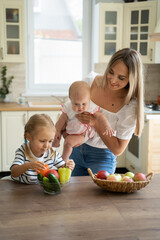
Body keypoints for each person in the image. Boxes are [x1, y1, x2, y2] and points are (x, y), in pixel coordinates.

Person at [69, 48, 144, 176]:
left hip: (101, 157)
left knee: (100, 195)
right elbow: (71, 110)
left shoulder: (130, 106)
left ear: (132, 79)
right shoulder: (90, 81)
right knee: (70, 193)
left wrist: (96, 123)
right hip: (75, 150)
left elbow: (118, 149)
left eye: (121, 78)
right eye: (111, 72)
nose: (113, 80)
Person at [53, 81, 114, 162]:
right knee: (55, 131)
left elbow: (100, 117)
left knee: (68, 143)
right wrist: (57, 130)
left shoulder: (91, 107)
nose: (80, 107)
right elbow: (62, 119)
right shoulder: (68, 107)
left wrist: (107, 126)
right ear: (70, 100)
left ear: (89, 99)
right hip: (70, 131)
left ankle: (63, 161)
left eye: (84, 104)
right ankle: (55, 143)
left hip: (82, 134)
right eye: (76, 104)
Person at [10, 114, 75, 184]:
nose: (46, 146)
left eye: (50, 141)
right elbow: (14, 172)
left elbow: (63, 168)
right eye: (42, 141)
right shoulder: (23, 151)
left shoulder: (52, 153)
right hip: (20, 187)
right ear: (28, 137)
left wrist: (69, 166)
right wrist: (28, 166)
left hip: (40, 189)